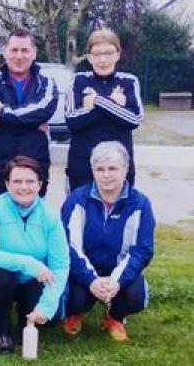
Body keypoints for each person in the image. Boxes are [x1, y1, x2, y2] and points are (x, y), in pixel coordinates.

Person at [61, 141, 155, 342]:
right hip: (83, 271)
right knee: (73, 297)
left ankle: (115, 317)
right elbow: (69, 246)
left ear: (125, 169)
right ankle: (74, 313)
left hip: (118, 269)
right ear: (92, 171)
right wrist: (91, 280)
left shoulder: (140, 203)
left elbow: (142, 250)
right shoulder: (77, 199)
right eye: (99, 169)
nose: (106, 175)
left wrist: (116, 281)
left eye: (112, 168)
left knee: (136, 297)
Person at [0, 155, 69, 353]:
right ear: (7, 184)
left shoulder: (50, 216)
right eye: (17, 181)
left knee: (51, 317)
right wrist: (29, 263)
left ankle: (25, 321)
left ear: (40, 184)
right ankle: (1, 331)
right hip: (1, 276)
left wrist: (46, 306)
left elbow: (60, 265)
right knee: (0, 280)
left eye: (30, 181)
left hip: (33, 280)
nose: (23, 187)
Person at [0, 28, 58, 204]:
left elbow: (44, 110)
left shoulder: (47, 83)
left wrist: (2, 114)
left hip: (35, 163)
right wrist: (30, 121)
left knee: (32, 224)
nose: (19, 56)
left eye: (25, 50)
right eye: (14, 50)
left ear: (34, 53)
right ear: (5, 52)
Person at [65, 28, 144, 190]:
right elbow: (72, 120)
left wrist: (97, 101)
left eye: (108, 53)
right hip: (82, 168)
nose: (103, 59)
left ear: (118, 54)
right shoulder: (78, 80)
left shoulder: (129, 81)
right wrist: (115, 105)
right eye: (97, 54)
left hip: (119, 169)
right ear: (89, 57)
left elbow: (134, 119)